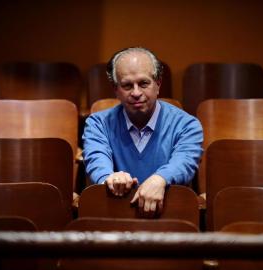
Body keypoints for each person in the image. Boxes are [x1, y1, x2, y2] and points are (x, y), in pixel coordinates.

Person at [82, 47, 203, 217]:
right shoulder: (98, 123)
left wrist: (160, 179)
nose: (136, 93)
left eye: (144, 83)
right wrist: (110, 178)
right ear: (116, 89)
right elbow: (96, 160)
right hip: (115, 220)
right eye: (127, 85)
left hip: (171, 220)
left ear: (158, 84)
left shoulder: (187, 125)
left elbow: (184, 162)